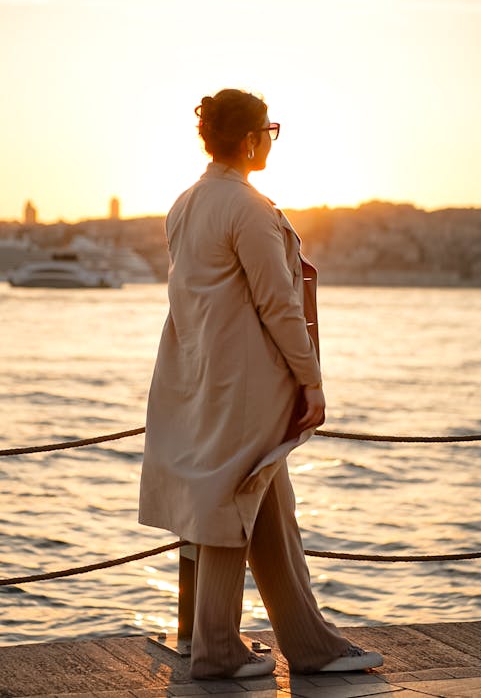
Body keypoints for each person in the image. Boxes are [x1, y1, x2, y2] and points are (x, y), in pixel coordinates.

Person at [139, 89, 383, 679]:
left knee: (268, 501)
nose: (271, 141)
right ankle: (218, 649)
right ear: (250, 140)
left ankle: (307, 642)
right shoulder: (247, 208)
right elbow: (280, 305)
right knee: (237, 498)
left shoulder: (184, 203)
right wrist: (312, 382)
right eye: (269, 131)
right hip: (249, 382)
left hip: (203, 376)